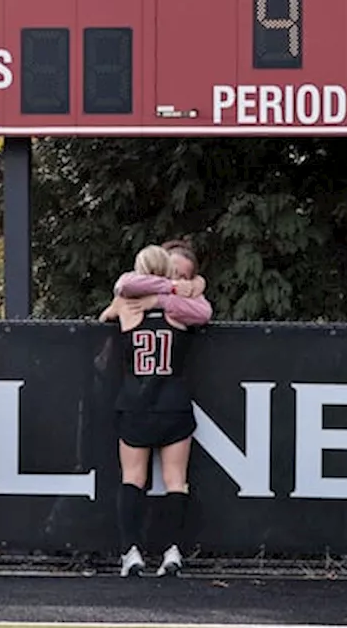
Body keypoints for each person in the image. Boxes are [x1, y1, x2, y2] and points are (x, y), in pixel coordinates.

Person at [106, 245, 204, 579]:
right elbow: (203, 312)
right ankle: (172, 550)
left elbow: (107, 312)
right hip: (173, 402)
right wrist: (184, 288)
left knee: (133, 478)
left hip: (136, 402)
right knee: (176, 481)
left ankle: (130, 551)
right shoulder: (180, 309)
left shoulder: (126, 306)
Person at [101, 238, 212, 330]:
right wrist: (171, 286)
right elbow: (125, 285)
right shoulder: (136, 280)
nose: (176, 279)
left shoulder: (186, 295)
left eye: (183, 277)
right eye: (173, 270)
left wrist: (159, 301)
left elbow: (204, 313)